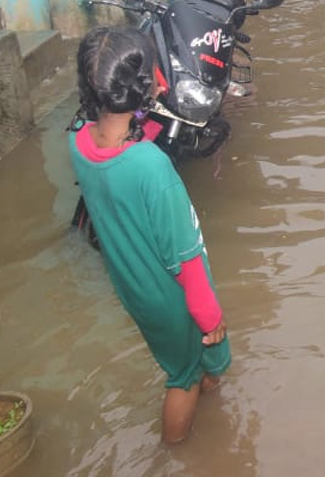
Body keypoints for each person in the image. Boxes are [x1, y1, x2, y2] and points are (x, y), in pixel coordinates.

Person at [69, 26, 230, 444]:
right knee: (184, 377)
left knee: (192, 365)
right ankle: (174, 454)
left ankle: (209, 402)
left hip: (133, 285)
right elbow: (186, 258)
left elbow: (121, 163)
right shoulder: (151, 168)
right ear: (146, 83)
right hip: (172, 296)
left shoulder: (79, 141)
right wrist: (211, 318)